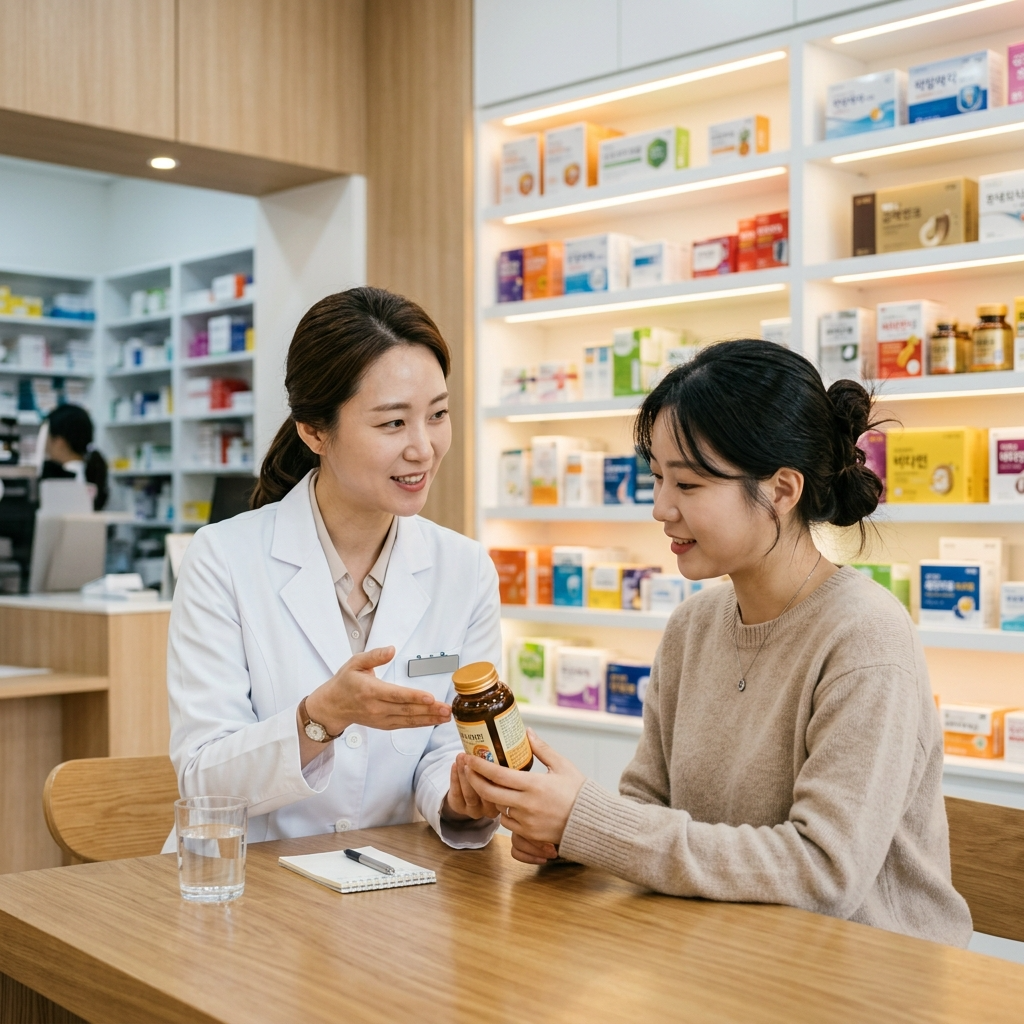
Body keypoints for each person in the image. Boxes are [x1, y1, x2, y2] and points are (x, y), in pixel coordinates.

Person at [462, 340, 973, 947]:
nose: (660, 507)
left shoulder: (866, 638)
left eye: (689, 484)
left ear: (782, 491)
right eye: (656, 477)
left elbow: (824, 871)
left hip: (867, 976)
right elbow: (648, 809)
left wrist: (590, 821)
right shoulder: (693, 627)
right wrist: (566, 835)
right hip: (726, 951)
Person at [164, 287, 500, 850]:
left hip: (390, 893)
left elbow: (447, 746)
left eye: (438, 414)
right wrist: (318, 718)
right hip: (249, 891)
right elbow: (202, 778)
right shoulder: (222, 558)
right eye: (393, 423)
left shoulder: (464, 569)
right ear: (314, 431)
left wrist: (460, 797)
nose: (423, 447)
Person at [40, 404, 108, 510]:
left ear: (59, 442)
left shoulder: (62, 480)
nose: (44, 443)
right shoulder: (90, 470)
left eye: (46, 435)